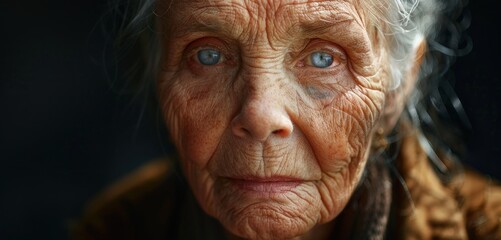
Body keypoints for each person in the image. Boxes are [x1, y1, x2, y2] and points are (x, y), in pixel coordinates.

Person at [72, 0, 501, 239]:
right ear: (158, 70)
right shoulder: (112, 231)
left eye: (323, 58)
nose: (260, 115)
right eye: (209, 55)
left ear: (398, 84)